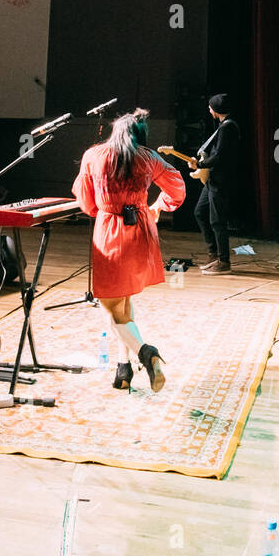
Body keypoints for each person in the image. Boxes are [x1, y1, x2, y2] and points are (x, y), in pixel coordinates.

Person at [72, 108, 186, 392]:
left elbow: (86, 202)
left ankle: (145, 352)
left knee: (110, 308)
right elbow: (178, 189)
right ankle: (122, 369)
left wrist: (105, 210)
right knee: (122, 301)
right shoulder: (149, 158)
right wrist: (157, 207)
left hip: (110, 231)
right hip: (140, 233)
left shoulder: (94, 156)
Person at [192, 93, 241, 274]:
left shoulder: (227, 128)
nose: (209, 109)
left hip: (221, 181)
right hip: (214, 179)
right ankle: (213, 255)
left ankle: (224, 261)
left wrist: (200, 164)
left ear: (217, 110)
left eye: (211, 107)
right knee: (200, 212)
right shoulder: (223, 126)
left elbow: (220, 157)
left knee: (217, 221)